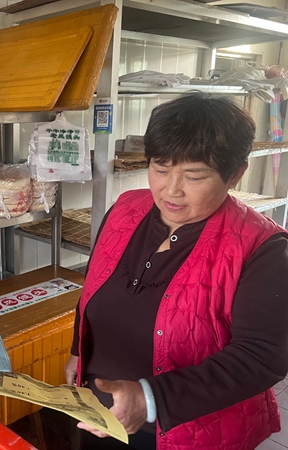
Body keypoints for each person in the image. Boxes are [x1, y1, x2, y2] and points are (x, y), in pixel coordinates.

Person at [64, 92, 288, 450]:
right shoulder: (125, 209)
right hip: (100, 413)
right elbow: (94, 286)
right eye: (160, 168)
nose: (171, 190)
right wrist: (78, 349)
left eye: (193, 176)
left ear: (235, 174)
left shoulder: (263, 248)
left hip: (191, 433)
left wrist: (151, 399)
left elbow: (261, 357)